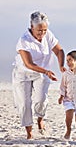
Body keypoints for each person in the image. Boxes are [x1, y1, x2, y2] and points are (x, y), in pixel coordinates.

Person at [12, 11, 66, 139]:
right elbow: (29, 64)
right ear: (32, 27)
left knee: (41, 99)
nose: (42, 33)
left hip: (42, 73)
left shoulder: (48, 35)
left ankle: (40, 119)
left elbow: (59, 50)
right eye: (39, 31)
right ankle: (29, 133)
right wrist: (46, 72)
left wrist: (61, 65)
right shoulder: (24, 40)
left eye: (44, 30)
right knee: (25, 103)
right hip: (23, 73)